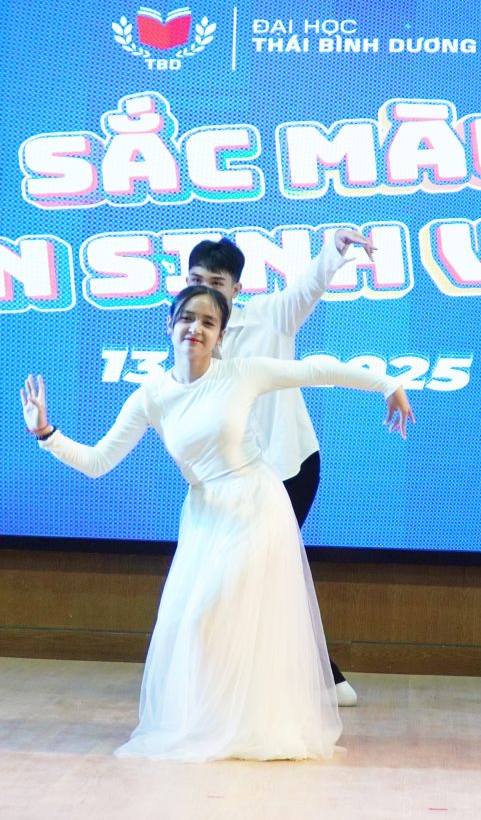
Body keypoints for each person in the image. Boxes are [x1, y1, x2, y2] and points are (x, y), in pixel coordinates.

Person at [21, 284, 413, 762]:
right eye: (188, 318)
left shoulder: (240, 374)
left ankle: (232, 726)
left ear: (221, 335)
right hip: (205, 517)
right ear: (169, 325)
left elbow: (316, 369)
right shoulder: (152, 396)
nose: (196, 329)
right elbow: (98, 462)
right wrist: (46, 433)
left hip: (256, 506)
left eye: (209, 322)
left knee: (203, 617)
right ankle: (221, 723)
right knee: (197, 624)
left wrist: (387, 384)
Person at [185, 230, 372, 705]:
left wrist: (336, 248)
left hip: (288, 468)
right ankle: (269, 677)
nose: (205, 290)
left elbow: (308, 286)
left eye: (216, 282)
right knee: (248, 575)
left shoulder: (270, 316)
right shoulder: (190, 336)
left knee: (263, 571)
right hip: (232, 480)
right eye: (195, 280)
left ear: (236, 289)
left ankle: (319, 678)